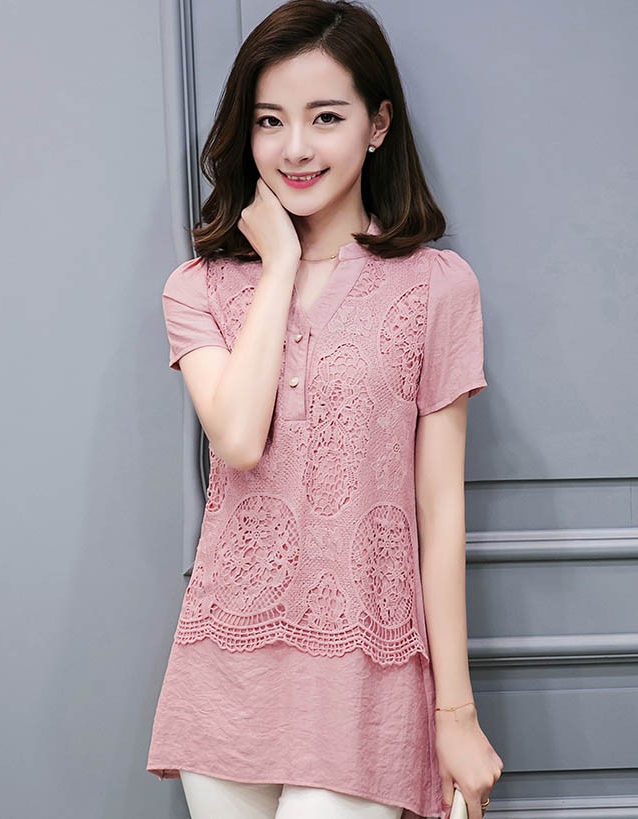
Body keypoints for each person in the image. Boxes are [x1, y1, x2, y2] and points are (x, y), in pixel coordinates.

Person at [145, 1, 504, 817]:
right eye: (269, 120)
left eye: (326, 117)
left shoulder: (437, 287)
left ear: (377, 125)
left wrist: (455, 713)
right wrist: (277, 266)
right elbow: (238, 438)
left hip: (362, 675)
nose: (295, 147)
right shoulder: (198, 289)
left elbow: (439, 509)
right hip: (225, 670)